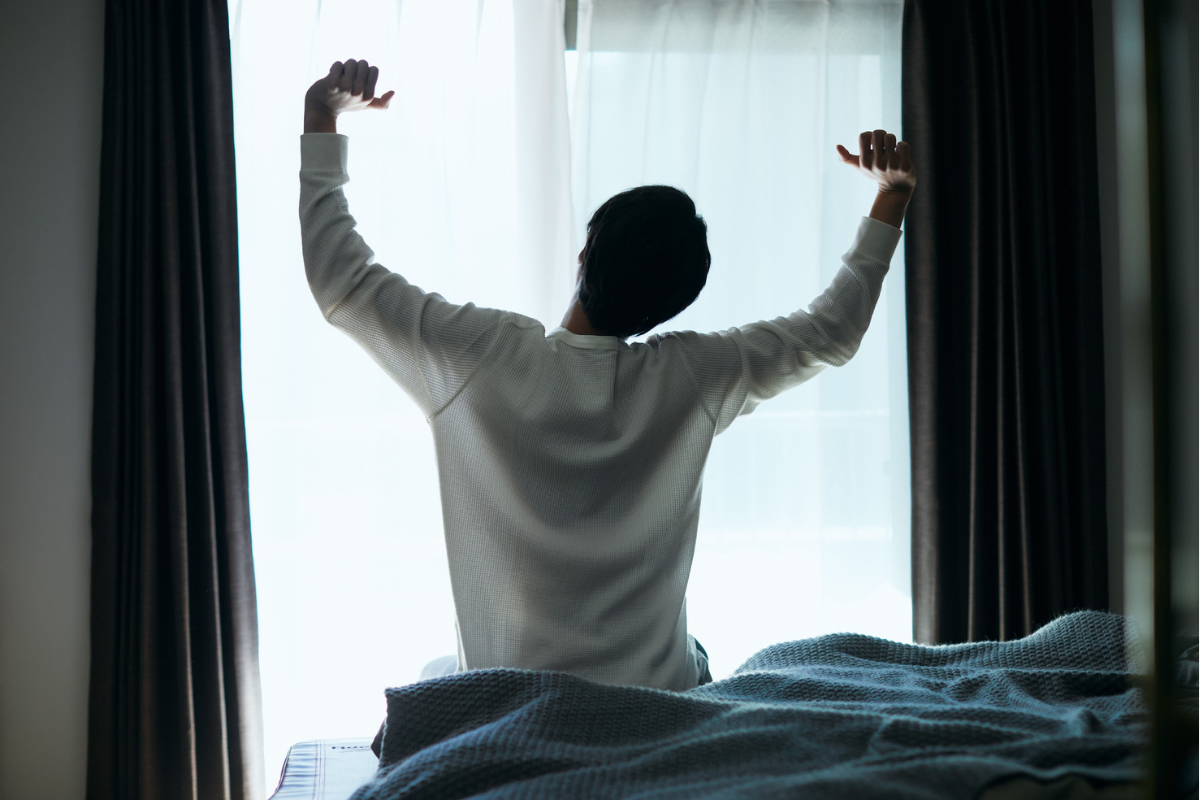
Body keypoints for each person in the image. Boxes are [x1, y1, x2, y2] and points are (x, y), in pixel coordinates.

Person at [299, 59, 917, 692]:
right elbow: (832, 331)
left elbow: (341, 281)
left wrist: (322, 117)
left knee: (437, 674)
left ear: (585, 252)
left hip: (511, 700)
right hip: (657, 701)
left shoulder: (480, 356)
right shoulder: (693, 377)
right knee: (700, 656)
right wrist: (891, 195)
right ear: (668, 304)